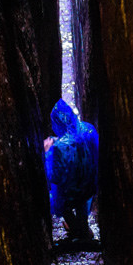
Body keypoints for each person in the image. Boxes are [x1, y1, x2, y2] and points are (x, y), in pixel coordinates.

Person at [44, 99, 97, 242]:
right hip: (89, 187)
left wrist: (48, 153)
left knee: (58, 200)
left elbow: (54, 176)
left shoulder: (59, 147)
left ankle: (76, 229)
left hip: (71, 193)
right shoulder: (88, 129)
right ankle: (84, 227)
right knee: (82, 203)